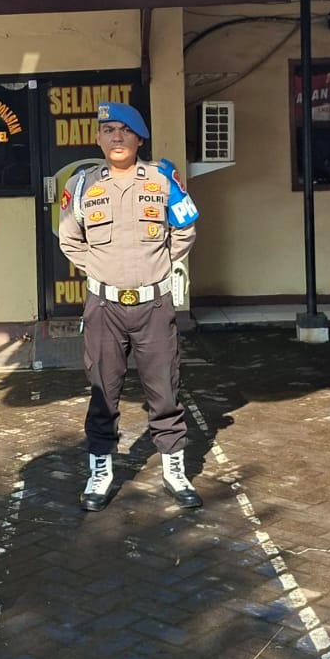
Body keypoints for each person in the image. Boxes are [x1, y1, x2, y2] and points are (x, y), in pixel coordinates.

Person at [58, 101, 201, 513]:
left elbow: (185, 228)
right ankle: (100, 472)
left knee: (164, 389)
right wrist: (101, 271)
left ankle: (174, 470)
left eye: (125, 130)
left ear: (139, 138)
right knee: (103, 391)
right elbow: (69, 239)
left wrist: (157, 267)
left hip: (153, 305)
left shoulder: (162, 179)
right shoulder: (81, 185)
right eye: (108, 130)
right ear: (98, 139)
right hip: (104, 307)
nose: (116, 137)